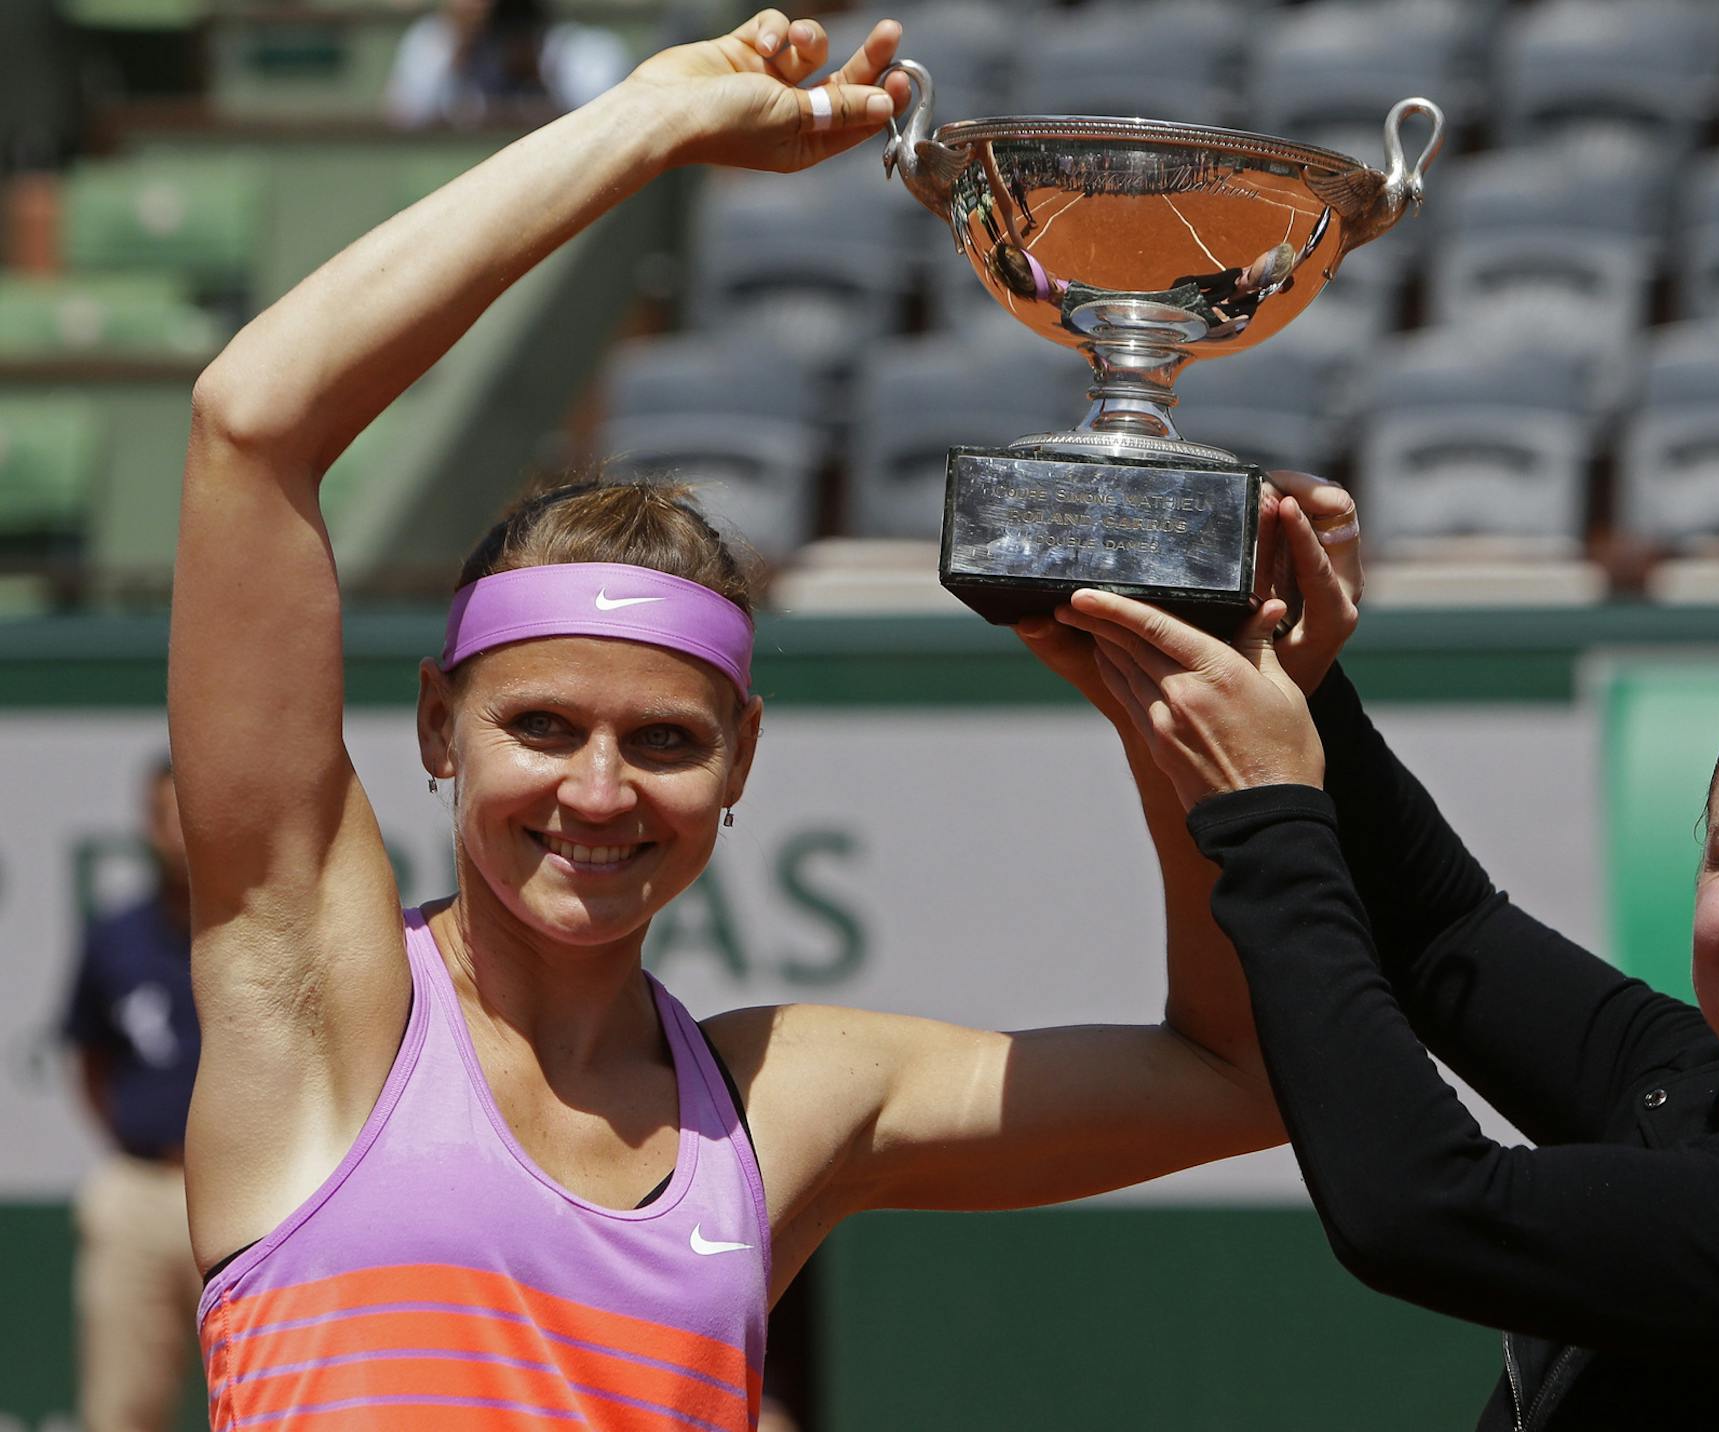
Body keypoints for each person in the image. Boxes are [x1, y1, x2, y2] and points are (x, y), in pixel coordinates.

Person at [175, 14, 1287, 1427]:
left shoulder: (782, 1105)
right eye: (542, 727)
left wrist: (1164, 705)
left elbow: (1236, 1076)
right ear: (440, 727)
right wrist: (647, 128)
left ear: (741, 758)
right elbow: (250, 420)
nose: (596, 791)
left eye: (664, 743)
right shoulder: (324, 1010)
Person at [1054, 498, 1719, 1430]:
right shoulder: (1693, 1088)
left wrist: (1270, 815)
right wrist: (1292, 672)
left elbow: (1422, 1208)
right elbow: (1446, 933)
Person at [59, 756, 202, 1432]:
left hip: (253, 1195)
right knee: (122, 1410)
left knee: (270, 1398)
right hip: (141, 1186)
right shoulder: (115, 935)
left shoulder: (262, 928)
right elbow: (88, 1055)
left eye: (187, 812)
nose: (175, 831)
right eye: (160, 814)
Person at [385, 0, 632, 130]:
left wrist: (538, 66)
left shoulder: (586, 50)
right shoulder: (438, 40)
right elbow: (404, 114)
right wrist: (459, 43)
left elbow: (609, 119)